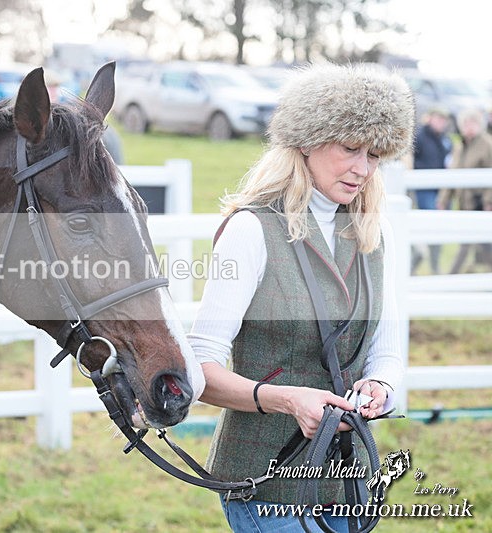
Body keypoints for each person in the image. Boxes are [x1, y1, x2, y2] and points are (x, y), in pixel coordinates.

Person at [188, 63, 413, 532]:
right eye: (350, 148)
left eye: (375, 155)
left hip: (346, 481)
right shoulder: (251, 230)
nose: (363, 169)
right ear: (308, 141)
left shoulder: (376, 233)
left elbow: (386, 354)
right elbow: (201, 371)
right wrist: (289, 400)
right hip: (265, 482)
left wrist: (379, 388)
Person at [437, 108, 492, 273]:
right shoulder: (459, 146)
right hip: (463, 202)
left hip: (480, 202)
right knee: (475, 242)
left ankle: (452, 276)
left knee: (474, 242)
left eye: (473, 123)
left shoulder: (487, 144)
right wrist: (444, 199)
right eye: (466, 123)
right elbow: (453, 174)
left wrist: (489, 202)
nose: (469, 127)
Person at [411, 106, 452, 274]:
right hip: (424, 188)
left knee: (439, 227)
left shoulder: (445, 140)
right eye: (437, 118)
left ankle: (434, 265)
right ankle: (414, 262)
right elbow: (411, 158)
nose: (440, 123)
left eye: (443, 120)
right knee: (428, 224)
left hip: (440, 189)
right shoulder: (419, 136)